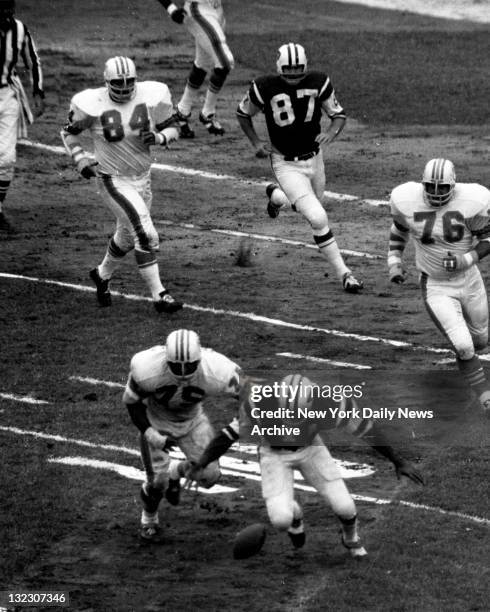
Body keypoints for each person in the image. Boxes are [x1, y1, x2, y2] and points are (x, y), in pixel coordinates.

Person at [188, 373, 424, 557]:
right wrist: (203, 462)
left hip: (311, 449)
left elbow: (367, 429)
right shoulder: (259, 402)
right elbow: (228, 435)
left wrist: (397, 460)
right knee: (281, 519)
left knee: (345, 507)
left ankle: (350, 537)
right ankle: (296, 517)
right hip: (274, 454)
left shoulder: (331, 402)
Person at [236, 42, 363, 294]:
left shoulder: (319, 81)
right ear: (279, 70)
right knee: (317, 217)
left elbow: (338, 114)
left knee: (312, 205)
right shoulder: (264, 86)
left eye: (298, 73)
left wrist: (330, 132)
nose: (293, 78)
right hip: (285, 163)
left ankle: (276, 196)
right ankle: (345, 274)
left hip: (315, 159)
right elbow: (243, 113)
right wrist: (255, 141)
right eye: (288, 73)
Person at [60, 56, 183, 313]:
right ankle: (159, 295)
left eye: (129, 81)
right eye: (119, 82)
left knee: (126, 237)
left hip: (142, 177)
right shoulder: (91, 104)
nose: (125, 87)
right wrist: (80, 159)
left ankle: (102, 274)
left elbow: (174, 127)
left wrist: (160, 137)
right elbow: (68, 132)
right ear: (107, 82)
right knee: (146, 235)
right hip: (113, 179)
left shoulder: (152, 95)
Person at [388, 158, 490, 416]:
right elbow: (399, 229)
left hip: (469, 279)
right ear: (422, 184)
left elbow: (487, 238)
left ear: (453, 186)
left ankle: (468, 371)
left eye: (441, 187)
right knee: (464, 346)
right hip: (435, 285)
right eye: (430, 187)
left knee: (480, 341)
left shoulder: (473, 200)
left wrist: (465, 259)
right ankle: (485, 398)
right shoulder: (405, 199)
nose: (435, 193)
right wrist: (394, 261)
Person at [122, 328, 242, 540]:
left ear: (200, 359)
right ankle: (149, 518)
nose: (184, 372)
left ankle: (176, 471)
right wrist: (150, 433)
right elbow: (132, 403)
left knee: (210, 476)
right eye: (177, 366)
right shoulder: (146, 367)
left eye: (189, 366)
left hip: (193, 420)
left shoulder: (217, 369)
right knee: (157, 483)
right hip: (156, 418)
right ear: (166, 359)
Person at [156, 0, 233, 137]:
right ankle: (208, 112)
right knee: (225, 62)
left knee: (203, 62)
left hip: (217, 10)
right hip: (198, 10)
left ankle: (182, 111)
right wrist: (171, 9)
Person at [0, 0, 44, 232]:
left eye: (9, 10)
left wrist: (38, 90)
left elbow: (33, 60)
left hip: (7, 95)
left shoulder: (19, 29)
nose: (6, 15)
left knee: (6, 158)